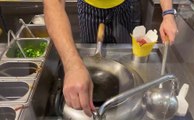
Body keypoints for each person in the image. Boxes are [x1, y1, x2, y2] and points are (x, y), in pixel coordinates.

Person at [43, 0, 178, 117]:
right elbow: (53, 3)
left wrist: (168, 14)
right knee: (90, 68)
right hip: (89, 9)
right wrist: (72, 66)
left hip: (125, 7)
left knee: (123, 65)